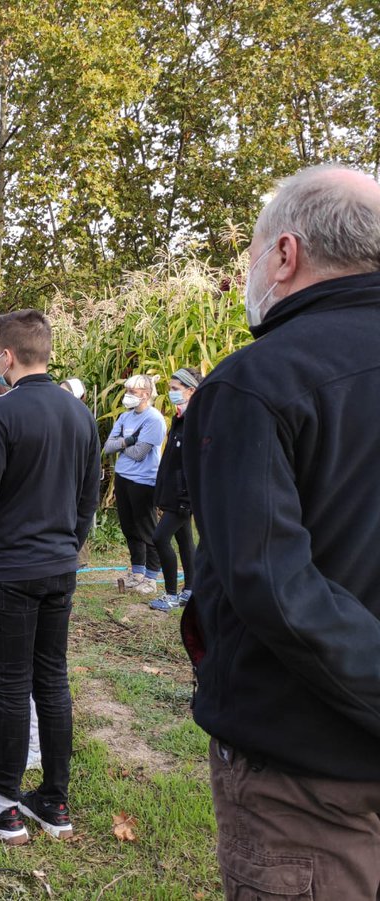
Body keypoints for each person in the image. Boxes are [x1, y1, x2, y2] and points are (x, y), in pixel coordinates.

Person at [182, 164, 380, 897]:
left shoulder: (257, 381)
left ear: (286, 254)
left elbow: (273, 585)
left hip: (306, 775)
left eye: (253, 255)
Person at [0, 310, 100, 845]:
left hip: (8, 571)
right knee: (52, 678)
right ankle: (55, 801)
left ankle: (4, 805)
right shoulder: (80, 415)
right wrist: (69, 546)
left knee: (12, 684)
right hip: (60, 567)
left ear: (7, 356)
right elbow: (90, 496)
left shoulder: (0, 413)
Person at [103, 374, 166, 596]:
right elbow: (108, 446)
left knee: (147, 529)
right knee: (130, 527)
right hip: (124, 477)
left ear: (146, 395)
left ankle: (151, 577)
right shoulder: (125, 418)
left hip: (143, 480)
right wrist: (127, 442)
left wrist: (123, 445)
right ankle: (137, 572)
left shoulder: (154, 420)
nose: (128, 395)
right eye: (127, 391)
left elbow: (140, 454)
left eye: (132, 392)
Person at [148, 368, 202, 611]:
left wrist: (186, 497)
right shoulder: (179, 419)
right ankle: (190, 589)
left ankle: (170, 594)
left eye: (175, 389)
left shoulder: (196, 422)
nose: (170, 393)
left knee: (160, 538)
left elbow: (195, 465)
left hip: (183, 497)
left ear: (191, 391)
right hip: (172, 493)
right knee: (184, 540)